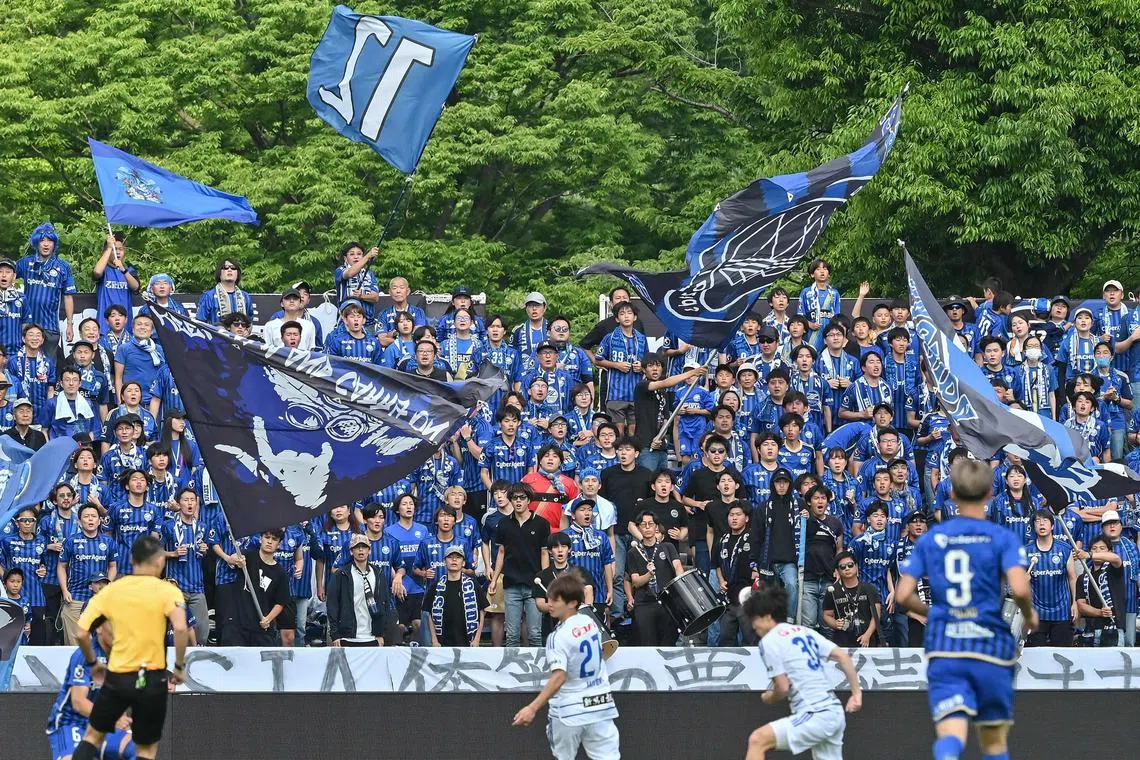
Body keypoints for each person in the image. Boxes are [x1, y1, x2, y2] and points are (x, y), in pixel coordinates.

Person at [895, 458, 1038, 760]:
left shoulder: (932, 538)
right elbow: (1021, 588)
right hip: (989, 646)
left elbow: (903, 594)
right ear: (990, 494)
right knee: (993, 740)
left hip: (945, 645)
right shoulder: (1002, 538)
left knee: (951, 732)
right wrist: (1028, 614)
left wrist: (932, 612)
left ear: (953, 495)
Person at [70, 535, 187, 760]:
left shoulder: (112, 590)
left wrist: (94, 663)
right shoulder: (168, 591)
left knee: (93, 737)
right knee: (146, 750)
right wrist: (179, 666)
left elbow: (81, 632)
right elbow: (181, 629)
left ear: (131, 559)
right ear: (161, 561)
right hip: (152, 679)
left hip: (118, 677)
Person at [742, 585, 862, 760]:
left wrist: (768, 697)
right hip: (834, 713)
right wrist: (856, 694)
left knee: (757, 740)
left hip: (815, 714)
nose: (753, 625)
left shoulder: (769, 641)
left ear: (767, 617)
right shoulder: (804, 631)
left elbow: (782, 688)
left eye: (754, 619)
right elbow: (843, 656)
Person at [511, 573, 620, 760]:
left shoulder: (558, 637)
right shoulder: (591, 623)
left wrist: (532, 708)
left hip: (569, 711)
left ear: (572, 603)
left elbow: (559, 676)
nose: (549, 603)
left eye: (555, 599)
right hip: (600, 704)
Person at [45, 618, 136, 760]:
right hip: (71, 723)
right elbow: (79, 702)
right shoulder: (84, 655)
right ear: (99, 628)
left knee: (137, 749)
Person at [490, 484, 550, 646]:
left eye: (522, 497)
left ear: (529, 500)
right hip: (511, 583)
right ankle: (511, 669)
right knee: (511, 634)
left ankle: (536, 670)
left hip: (534, 584)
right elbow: (501, 552)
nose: (518, 501)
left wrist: (545, 581)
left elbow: (544, 553)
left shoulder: (542, 524)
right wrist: (494, 579)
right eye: (514, 498)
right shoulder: (503, 524)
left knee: (535, 634)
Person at [221, 528, 291, 646]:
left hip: (260, 626)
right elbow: (233, 558)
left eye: (274, 539)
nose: (269, 541)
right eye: (267, 537)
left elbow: (280, 602)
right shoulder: (248, 556)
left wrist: (268, 619)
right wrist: (238, 560)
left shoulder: (280, 573)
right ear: (260, 539)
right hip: (236, 623)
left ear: (279, 545)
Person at [1024, 509, 1078, 647]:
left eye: (1045, 520)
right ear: (1034, 526)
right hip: (1036, 612)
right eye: (1037, 521)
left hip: (1061, 610)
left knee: (1063, 654)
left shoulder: (1065, 549)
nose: (1041, 524)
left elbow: (1072, 577)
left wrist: (1075, 603)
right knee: (1037, 655)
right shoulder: (1026, 551)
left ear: (1052, 526)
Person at [327, 534, 391, 647]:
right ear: (351, 551)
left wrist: (381, 633)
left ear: (369, 550)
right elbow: (333, 605)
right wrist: (335, 634)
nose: (361, 550)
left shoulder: (378, 573)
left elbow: (384, 603)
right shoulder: (341, 574)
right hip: (347, 636)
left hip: (372, 636)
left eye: (364, 547)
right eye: (357, 547)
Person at [424, 545, 486, 647]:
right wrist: (434, 640)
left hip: (468, 643)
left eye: (458, 557)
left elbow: (482, 611)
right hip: (442, 644)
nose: (454, 560)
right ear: (444, 562)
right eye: (450, 557)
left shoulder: (473, 584)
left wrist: (477, 639)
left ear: (464, 563)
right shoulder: (435, 586)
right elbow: (430, 615)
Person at [195, 257, 253, 325]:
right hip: (216, 335)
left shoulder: (245, 296)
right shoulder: (209, 296)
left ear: (237, 273)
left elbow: (249, 322)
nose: (229, 270)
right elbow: (200, 323)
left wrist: (247, 331)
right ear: (219, 272)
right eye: (225, 267)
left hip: (240, 335)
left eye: (233, 268)